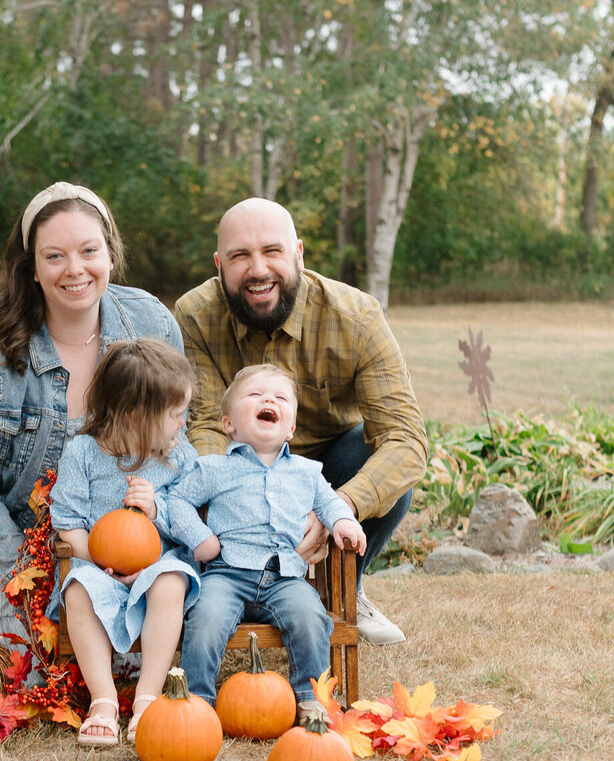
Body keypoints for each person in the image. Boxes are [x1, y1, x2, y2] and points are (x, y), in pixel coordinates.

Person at [0, 182, 183, 645]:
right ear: (32, 269)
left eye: (88, 250)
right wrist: (34, 568)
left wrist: (143, 539)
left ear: (111, 254)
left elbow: (177, 437)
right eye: (54, 256)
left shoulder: (152, 324)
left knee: (128, 651)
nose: (75, 269)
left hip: (110, 529)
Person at [173, 197, 427, 646]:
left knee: (382, 461)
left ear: (298, 253)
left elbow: (406, 439)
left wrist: (339, 507)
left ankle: (347, 588)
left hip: (329, 470)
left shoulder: (356, 316)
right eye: (239, 256)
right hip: (241, 468)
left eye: (272, 251)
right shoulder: (194, 316)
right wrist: (237, 496)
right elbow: (210, 426)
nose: (258, 270)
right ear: (219, 265)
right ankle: (230, 583)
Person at [162, 364, 366, 715]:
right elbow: (176, 501)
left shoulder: (307, 472)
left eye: (280, 397)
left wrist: (344, 521)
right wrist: (201, 538)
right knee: (205, 618)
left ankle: (310, 700)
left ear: (290, 428)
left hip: (286, 577)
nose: (268, 398)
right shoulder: (214, 468)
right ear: (229, 424)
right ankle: (196, 704)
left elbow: (329, 502)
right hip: (226, 573)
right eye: (255, 395)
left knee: (311, 617)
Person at [50, 338, 200, 746]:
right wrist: (102, 564)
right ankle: (104, 700)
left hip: (158, 564)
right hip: (98, 566)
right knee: (77, 590)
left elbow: (190, 519)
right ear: (137, 417)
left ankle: (149, 696)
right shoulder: (83, 452)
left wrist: (157, 511)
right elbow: (68, 524)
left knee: (171, 580)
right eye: (175, 415)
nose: (182, 424)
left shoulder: (177, 455)